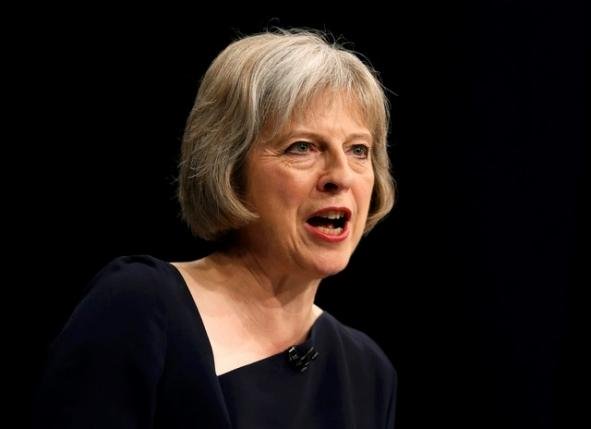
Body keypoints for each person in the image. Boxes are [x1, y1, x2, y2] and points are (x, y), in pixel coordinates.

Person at [33, 28, 397, 428]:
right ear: (230, 167)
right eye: (302, 147)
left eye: (358, 150)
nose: (340, 177)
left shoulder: (368, 373)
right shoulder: (140, 307)